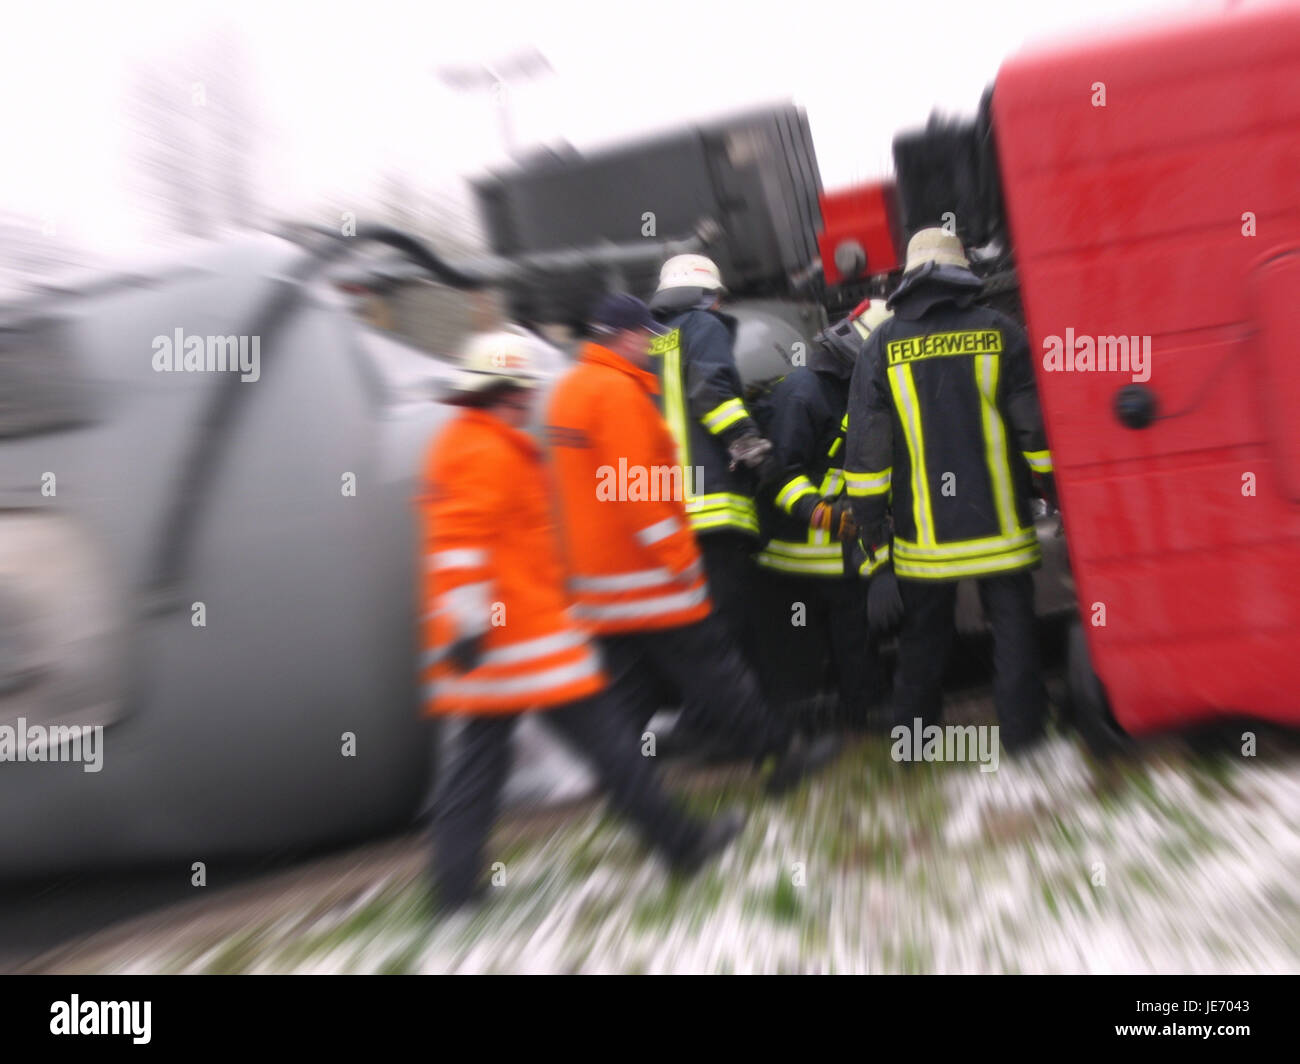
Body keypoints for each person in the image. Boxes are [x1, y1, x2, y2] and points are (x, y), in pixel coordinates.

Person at [417, 330, 743, 914]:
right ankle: (683, 843)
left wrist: (469, 630)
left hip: (500, 644)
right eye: (520, 391)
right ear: (503, 391)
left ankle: (454, 890)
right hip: (522, 641)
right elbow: (460, 546)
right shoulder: (484, 451)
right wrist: (469, 621)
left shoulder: (466, 443)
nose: (526, 401)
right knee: (611, 748)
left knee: (479, 767)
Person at [545, 294, 839, 791]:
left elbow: (582, 489)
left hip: (600, 580)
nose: (651, 351)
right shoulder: (616, 394)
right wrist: (679, 558)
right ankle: (776, 754)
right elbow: (639, 487)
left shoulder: (569, 391)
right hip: (648, 572)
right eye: (646, 340)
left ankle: (625, 785)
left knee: (633, 686)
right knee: (713, 664)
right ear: (630, 336)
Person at [844, 228, 1056, 752]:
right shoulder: (1003, 332)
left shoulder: (881, 345)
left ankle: (914, 742)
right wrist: (1053, 487)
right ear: (961, 271)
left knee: (923, 639)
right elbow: (1034, 430)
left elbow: (867, 455)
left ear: (908, 278)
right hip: (1000, 526)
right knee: (1014, 632)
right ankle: (1024, 735)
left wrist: (873, 540)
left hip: (924, 541)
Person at [753, 300, 894, 732]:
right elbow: (777, 472)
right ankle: (798, 721)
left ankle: (860, 710)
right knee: (808, 639)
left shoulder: (855, 391)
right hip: (797, 551)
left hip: (840, 549)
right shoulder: (803, 391)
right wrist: (821, 514)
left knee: (852, 631)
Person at [648, 254, 780, 668]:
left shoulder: (646, 341)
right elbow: (711, 393)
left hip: (664, 510)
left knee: (695, 627)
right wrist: (749, 443)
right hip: (711, 506)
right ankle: (747, 722)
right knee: (732, 623)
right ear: (710, 296)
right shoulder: (702, 325)